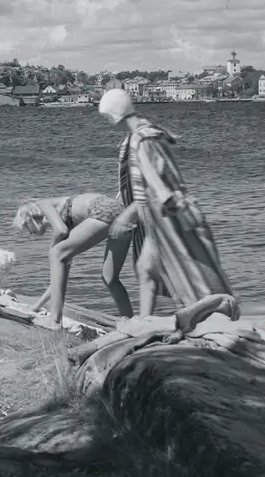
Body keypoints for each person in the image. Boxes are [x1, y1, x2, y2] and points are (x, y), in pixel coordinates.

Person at [98, 88, 238, 325]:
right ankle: (146, 322)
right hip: (161, 218)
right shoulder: (144, 135)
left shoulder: (142, 141)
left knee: (190, 276)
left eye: (106, 117)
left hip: (171, 219)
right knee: (146, 270)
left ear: (113, 115)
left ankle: (210, 317)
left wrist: (127, 215)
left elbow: (156, 185)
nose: (106, 121)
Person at [13, 192, 135, 328]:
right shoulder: (66, 220)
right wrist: (36, 306)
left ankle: (54, 320)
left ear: (29, 216)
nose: (29, 233)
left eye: (26, 226)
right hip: (123, 214)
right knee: (109, 277)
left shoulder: (42, 203)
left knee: (56, 253)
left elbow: (61, 231)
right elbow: (59, 278)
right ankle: (130, 322)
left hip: (101, 209)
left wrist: (53, 249)